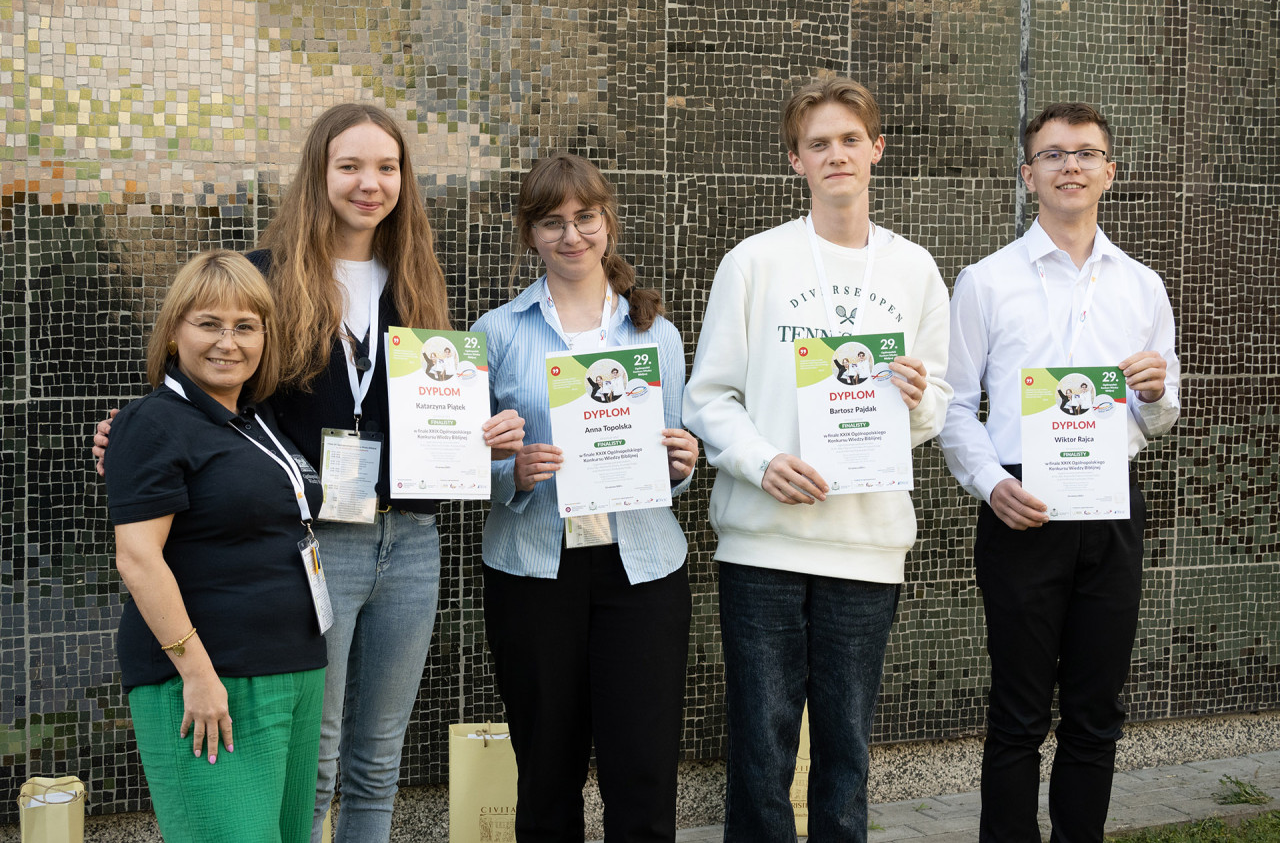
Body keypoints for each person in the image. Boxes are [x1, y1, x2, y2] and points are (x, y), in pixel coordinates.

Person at [94, 103, 525, 843]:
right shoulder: (266, 277)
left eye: (386, 167)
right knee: (315, 760)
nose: (369, 183)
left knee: (379, 758)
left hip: (411, 541)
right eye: (349, 166)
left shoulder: (416, 279)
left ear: (404, 179)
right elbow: (211, 392)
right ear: (318, 173)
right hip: (317, 544)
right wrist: (130, 435)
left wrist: (480, 439)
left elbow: (426, 412)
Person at [683, 77, 951, 841]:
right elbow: (708, 397)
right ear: (795, 160)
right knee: (760, 744)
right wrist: (761, 460)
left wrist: (915, 397)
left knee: (847, 747)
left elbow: (938, 403)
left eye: (850, 139)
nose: (837, 154)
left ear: (877, 150)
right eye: (818, 143)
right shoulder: (754, 262)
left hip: (865, 544)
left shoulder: (915, 269)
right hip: (763, 540)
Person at [937, 102, 1180, 842]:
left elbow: (1159, 416)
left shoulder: (1143, 286)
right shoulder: (985, 281)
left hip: (1110, 504)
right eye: (1052, 154)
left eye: (1085, 153)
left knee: (1096, 710)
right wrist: (991, 484)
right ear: (1028, 175)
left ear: (1110, 171)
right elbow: (953, 405)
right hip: (1021, 505)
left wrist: (1154, 395)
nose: (1069, 165)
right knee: (1017, 713)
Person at [473, 153, 699, 841]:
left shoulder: (656, 332)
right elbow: (465, 463)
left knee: (644, 768)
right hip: (534, 568)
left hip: (643, 568)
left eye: (585, 218)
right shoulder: (496, 332)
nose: (571, 235)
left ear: (608, 222)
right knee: (546, 768)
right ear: (530, 233)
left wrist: (683, 463)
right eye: (553, 222)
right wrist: (511, 473)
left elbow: (672, 455)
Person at [105, 250, 326, 843]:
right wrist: (198, 675)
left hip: (294, 669)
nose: (229, 342)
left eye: (245, 326)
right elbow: (138, 558)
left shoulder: (256, 419)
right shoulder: (153, 422)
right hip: (211, 678)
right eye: (209, 324)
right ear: (173, 332)